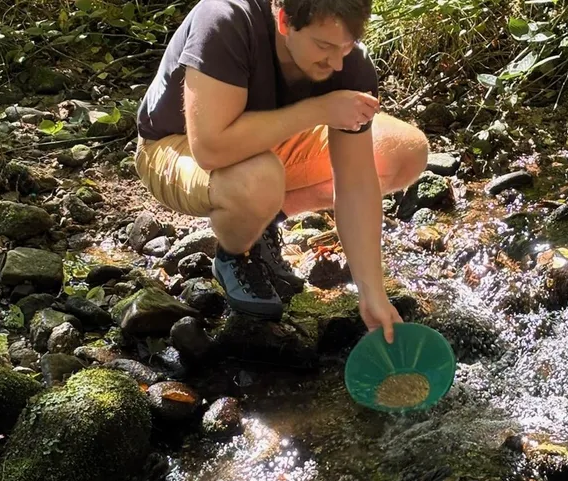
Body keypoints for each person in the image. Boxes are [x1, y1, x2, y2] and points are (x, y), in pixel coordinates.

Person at [134, 0, 428, 344]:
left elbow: (356, 184)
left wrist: (371, 291)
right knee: (260, 179)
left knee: (405, 152)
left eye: (346, 45)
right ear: (286, 21)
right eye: (324, 46)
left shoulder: (348, 60)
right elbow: (210, 148)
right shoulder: (225, 19)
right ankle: (236, 252)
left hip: (268, 144)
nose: (337, 62)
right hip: (173, 146)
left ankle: (260, 223)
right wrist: (319, 109)